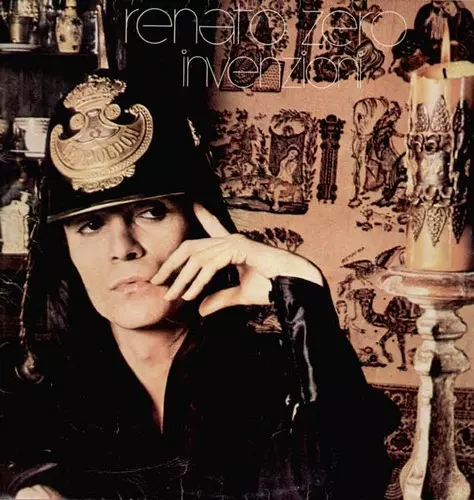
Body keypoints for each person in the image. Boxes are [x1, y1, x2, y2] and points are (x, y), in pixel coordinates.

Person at [0, 70, 400, 500]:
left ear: (198, 224)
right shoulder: (32, 387)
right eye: (91, 225)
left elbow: (352, 481)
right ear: (65, 250)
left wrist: (302, 287)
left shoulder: (274, 374)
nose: (123, 248)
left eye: (151, 212)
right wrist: (29, 483)